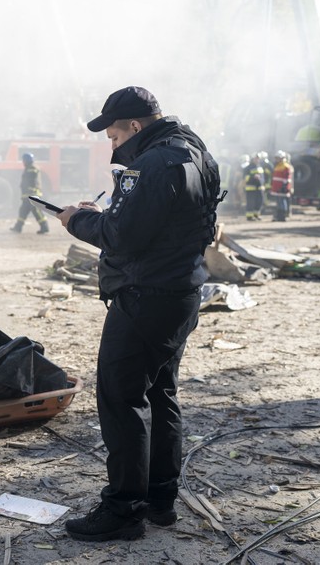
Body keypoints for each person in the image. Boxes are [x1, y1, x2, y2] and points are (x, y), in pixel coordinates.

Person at [55, 86, 223, 542]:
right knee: (161, 393)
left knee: (120, 399)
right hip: (180, 291)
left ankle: (123, 510)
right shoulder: (195, 153)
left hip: (145, 297)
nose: (112, 145)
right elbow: (161, 224)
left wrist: (77, 219)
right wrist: (106, 214)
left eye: (113, 135)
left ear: (134, 126)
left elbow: (123, 236)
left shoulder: (151, 163)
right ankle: (159, 501)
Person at [10, 152, 50, 234]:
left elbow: (32, 181)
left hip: (32, 194)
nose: (23, 162)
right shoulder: (29, 168)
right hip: (28, 195)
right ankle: (18, 227)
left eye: (23, 160)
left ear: (26, 160)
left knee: (36, 210)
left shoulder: (32, 169)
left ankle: (45, 227)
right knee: (23, 210)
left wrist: (30, 192)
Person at [270, 150, 295, 221]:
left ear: (282, 158)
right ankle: (279, 216)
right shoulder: (277, 166)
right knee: (278, 202)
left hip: (282, 188)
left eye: (277, 158)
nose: (276, 159)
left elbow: (287, 179)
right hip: (276, 188)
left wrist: (284, 187)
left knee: (282, 202)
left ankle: (283, 216)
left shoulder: (286, 166)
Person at [243, 152, 266, 221]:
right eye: (256, 158)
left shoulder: (260, 167)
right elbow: (245, 178)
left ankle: (257, 215)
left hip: (260, 188)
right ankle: (249, 216)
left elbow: (263, 177)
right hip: (251, 188)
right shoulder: (248, 167)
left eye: (258, 159)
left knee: (259, 202)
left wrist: (263, 185)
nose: (257, 160)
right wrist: (253, 177)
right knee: (251, 203)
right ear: (252, 159)